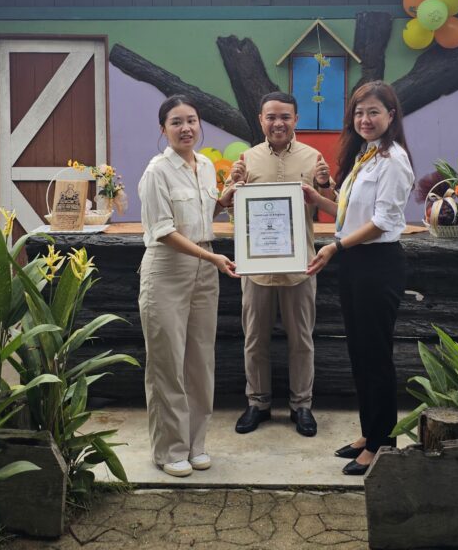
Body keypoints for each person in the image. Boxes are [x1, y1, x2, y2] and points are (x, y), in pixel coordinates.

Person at [305, 81, 414, 476]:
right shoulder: (367, 156)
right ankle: (370, 432)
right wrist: (318, 199)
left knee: (376, 355)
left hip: (376, 263)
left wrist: (335, 247)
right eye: (358, 113)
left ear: (391, 115)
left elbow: (383, 222)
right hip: (355, 261)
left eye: (373, 112)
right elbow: (351, 212)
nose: (365, 120)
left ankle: (383, 441)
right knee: (360, 353)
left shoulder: (394, 160)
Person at [137, 95, 239, 477]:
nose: (186, 128)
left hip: (204, 270)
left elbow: (206, 214)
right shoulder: (156, 172)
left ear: (200, 125)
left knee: (200, 361)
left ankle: (196, 444)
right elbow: (162, 231)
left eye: (192, 121)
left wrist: (227, 197)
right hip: (167, 271)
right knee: (167, 364)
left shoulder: (208, 165)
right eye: (176, 122)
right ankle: (170, 450)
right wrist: (211, 257)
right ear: (163, 129)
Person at [226, 92, 335, 437]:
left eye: (285, 117)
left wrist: (323, 185)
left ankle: (301, 406)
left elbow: (332, 208)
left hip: (300, 267)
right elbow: (233, 213)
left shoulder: (313, 158)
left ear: (296, 119)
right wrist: (233, 186)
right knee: (254, 340)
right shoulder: (247, 159)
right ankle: (257, 404)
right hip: (256, 270)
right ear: (261, 120)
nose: (278, 123)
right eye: (271, 117)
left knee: (301, 340)